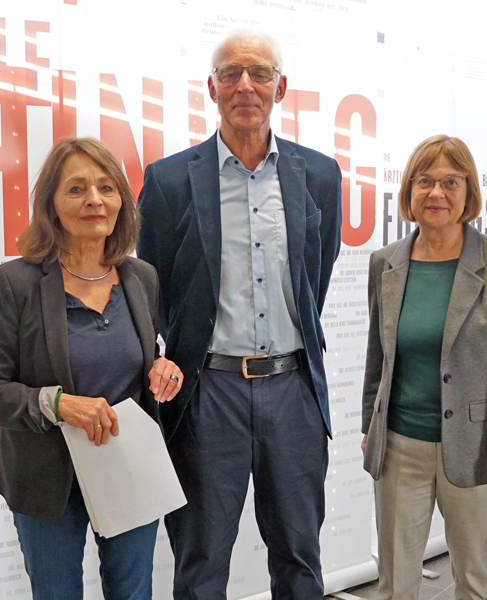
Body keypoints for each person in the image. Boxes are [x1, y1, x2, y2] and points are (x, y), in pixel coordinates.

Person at [135, 30, 341, 598]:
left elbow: (313, 280)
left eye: (259, 73)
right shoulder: (170, 179)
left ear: (281, 87)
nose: (245, 84)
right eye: (230, 73)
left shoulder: (319, 175)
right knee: (200, 561)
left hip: (293, 388)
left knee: (300, 557)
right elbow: (151, 286)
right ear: (211, 87)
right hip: (207, 392)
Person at [0, 137, 185, 600]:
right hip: (47, 476)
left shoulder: (140, 277)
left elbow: (143, 353)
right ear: (51, 204)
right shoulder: (15, 282)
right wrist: (59, 404)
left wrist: (162, 366)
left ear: (122, 201)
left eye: (106, 187)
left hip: (127, 464)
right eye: (77, 189)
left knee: (133, 593)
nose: (94, 200)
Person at [360, 135, 487, 600]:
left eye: (450, 182)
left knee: (474, 582)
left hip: (474, 447)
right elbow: (378, 357)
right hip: (399, 446)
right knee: (396, 584)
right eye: (425, 181)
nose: (436, 193)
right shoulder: (385, 264)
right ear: (410, 191)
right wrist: (369, 427)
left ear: (469, 192)